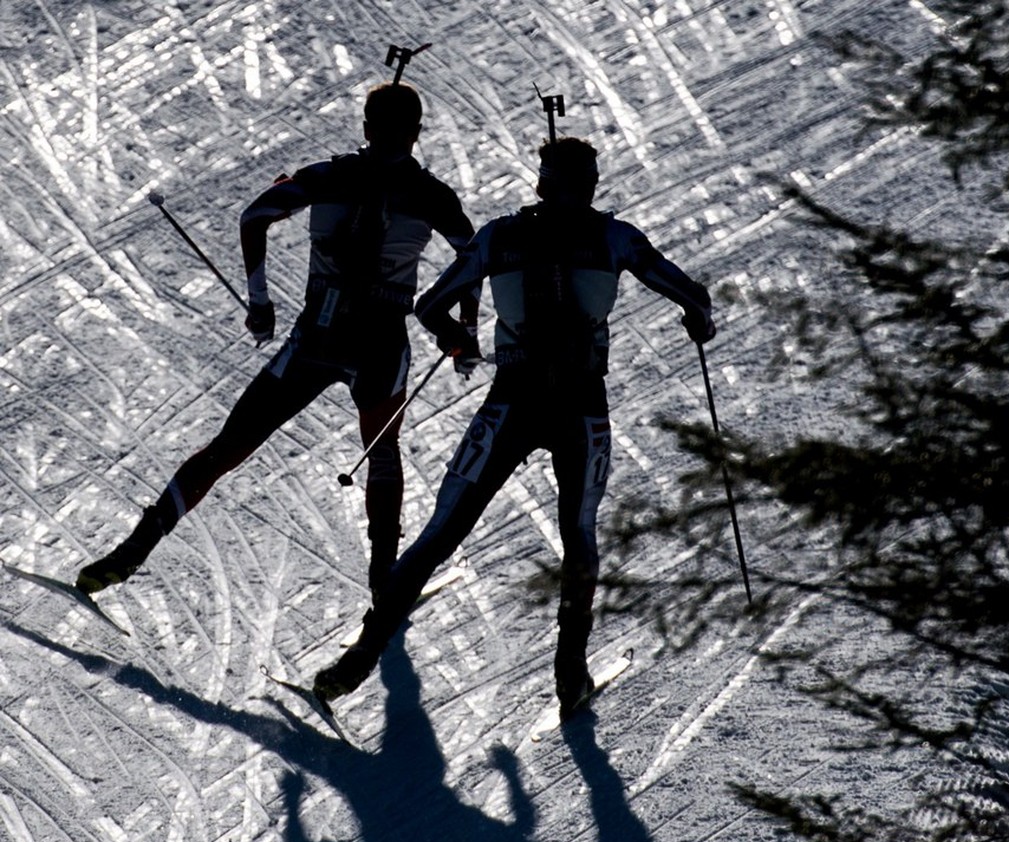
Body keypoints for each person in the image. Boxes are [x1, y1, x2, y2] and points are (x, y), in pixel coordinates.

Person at [313, 136, 715, 716]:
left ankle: (357, 663)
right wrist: (697, 323)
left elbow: (430, 306)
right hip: (582, 406)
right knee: (578, 531)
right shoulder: (615, 237)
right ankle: (569, 675)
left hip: (511, 400)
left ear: (540, 184)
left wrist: (458, 341)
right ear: (592, 185)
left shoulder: (499, 237)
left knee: (441, 531)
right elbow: (690, 295)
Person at [76, 82, 477, 602]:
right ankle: (384, 583)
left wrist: (260, 302)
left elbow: (254, 216)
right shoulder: (434, 196)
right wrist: (463, 334)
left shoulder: (327, 175)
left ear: (365, 128)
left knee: (226, 449)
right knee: (381, 454)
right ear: (416, 136)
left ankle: (132, 551)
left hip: (317, 336)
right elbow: (473, 259)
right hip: (380, 343)